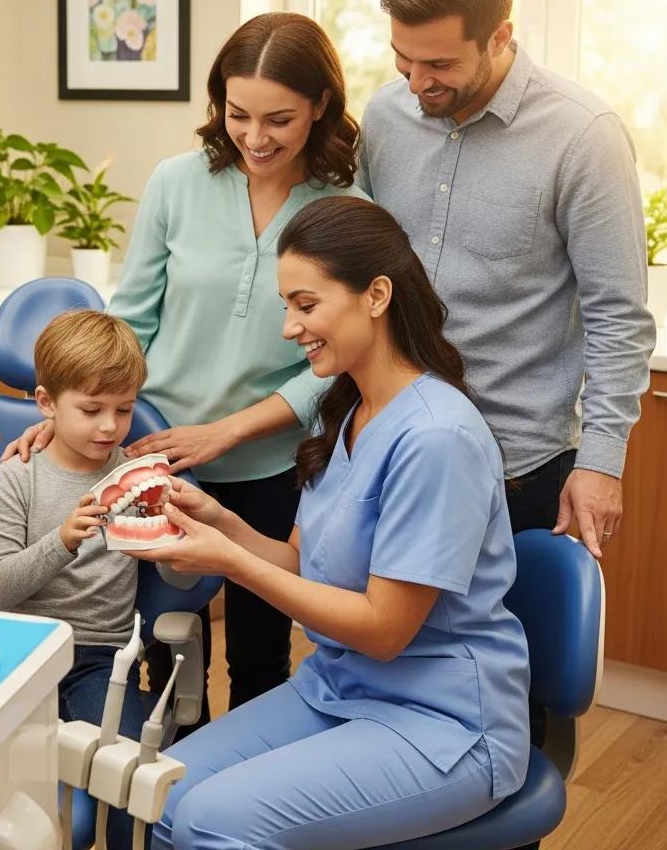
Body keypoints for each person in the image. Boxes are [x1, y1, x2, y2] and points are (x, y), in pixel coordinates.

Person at [130, 196, 530, 850]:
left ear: (376, 295)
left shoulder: (436, 438)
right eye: (286, 305)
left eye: (306, 305)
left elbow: (383, 630)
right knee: (165, 788)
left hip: (445, 724)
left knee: (212, 820)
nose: (289, 327)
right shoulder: (342, 410)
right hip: (339, 689)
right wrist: (219, 521)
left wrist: (229, 563)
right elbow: (298, 562)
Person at [3, 12, 369, 713]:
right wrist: (64, 418)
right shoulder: (176, 183)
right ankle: (165, 799)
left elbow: (337, 361)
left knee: (262, 653)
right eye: (238, 115)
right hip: (157, 447)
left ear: (321, 106)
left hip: (274, 464)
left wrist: (228, 432)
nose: (255, 138)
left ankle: (245, 805)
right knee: (163, 653)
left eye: (279, 120)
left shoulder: (347, 208)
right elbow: (131, 321)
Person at [357, 0, 656, 559]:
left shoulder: (584, 137)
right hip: (395, 442)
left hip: (517, 464)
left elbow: (618, 316)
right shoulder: (384, 118)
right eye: (403, 59)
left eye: (440, 65)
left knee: (509, 654)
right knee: (391, 645)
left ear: (500, 36)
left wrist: (602, 462)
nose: (416, 83)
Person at [0, 309, 149, 850]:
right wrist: (62, 541)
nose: (109, 427)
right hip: (23, 656)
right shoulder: (18, 475)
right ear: (46, 403)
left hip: (102, 659)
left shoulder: (135, 475)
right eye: (92, 409)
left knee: (130, 772)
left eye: (124, 410)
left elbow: (175, 571)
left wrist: (170, 530)